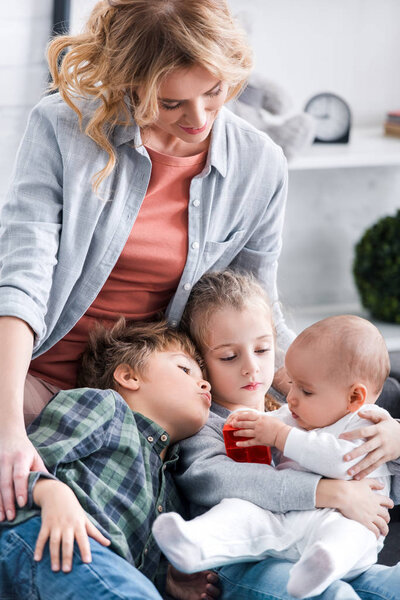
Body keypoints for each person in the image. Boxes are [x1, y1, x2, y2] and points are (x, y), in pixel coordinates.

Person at [0, 0, 296, 533]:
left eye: (215, 92)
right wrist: (8, 433)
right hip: (36, 381)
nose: (200, 120)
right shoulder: (63, 128)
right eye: (172, 102)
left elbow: (255, 306)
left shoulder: (260, 164)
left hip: (153, 399)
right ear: (128, 83)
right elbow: (22, 280)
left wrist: (327, 386)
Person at [161, 270, 400, 600]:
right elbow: (222, 481)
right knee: (332, 595)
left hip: (324, 550)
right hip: (246, 559)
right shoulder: (205, 424)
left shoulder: (308, 404)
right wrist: (329, 492)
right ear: (201, 362)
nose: (251, 368)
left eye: (262, 350)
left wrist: (393, 443)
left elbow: (382, 486)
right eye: (229, 356)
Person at [0, 318, 216, 599]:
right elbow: (27, 463)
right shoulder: (105, 407)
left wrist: (167, 580)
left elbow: (130, 563)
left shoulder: (175, 483)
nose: (204, 385)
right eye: (185, 369)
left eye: (204, 380)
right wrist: (51, 492)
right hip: (43, 534)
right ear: (129, 377)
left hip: (97, 569)